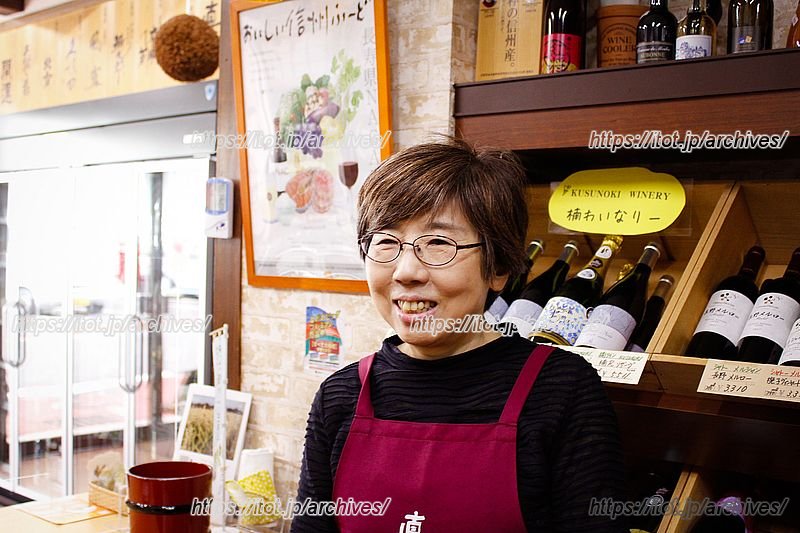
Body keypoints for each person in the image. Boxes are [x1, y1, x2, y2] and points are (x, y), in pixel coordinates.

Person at [292, 137, 627, 532]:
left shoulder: (562, 389)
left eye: (438, 243)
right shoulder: (340, 395)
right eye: (385, 242)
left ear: (499, 267)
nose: (405, 271)